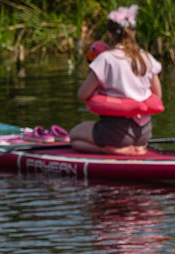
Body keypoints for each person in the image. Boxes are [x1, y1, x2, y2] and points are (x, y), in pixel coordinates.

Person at [69, 5, 163, 156]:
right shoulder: (147, 58)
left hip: (115, 133)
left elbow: (82, 95)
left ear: (110, 35)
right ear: (134, 32)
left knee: (74, 137)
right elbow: (157, 94)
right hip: (144, 133)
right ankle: (136, 147)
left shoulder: (105, 59)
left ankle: (108, 150)